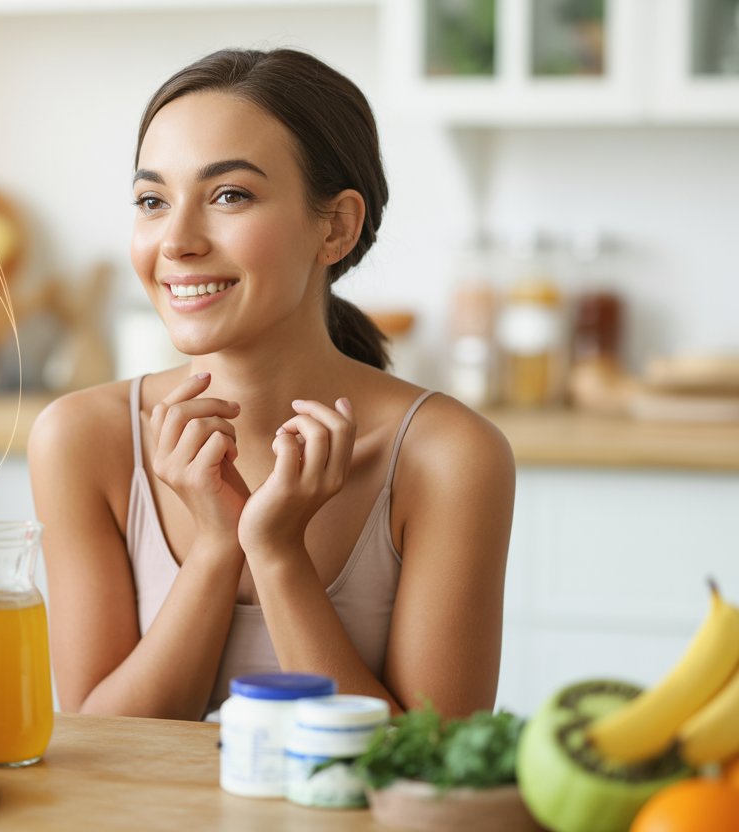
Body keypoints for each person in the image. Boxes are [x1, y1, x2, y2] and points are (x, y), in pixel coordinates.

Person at [27, 48, 515, 722]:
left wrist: (279, 555)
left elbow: (431, 771)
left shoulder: (450, 456)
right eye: (152, 201)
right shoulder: (81, 439)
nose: (177, 240)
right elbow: (104, 746)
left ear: (336, 226)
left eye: (229, 195)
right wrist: (217, 546)